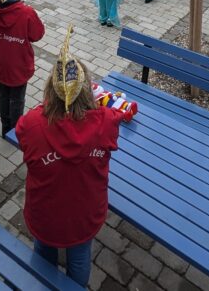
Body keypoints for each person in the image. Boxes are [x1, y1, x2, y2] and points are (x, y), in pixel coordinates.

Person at [16, 32, 126, 287]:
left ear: (50, 91)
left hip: (44, 214)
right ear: (87, 91)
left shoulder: (31, 124)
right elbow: (117, 115)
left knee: (43, 255)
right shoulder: (105, 123)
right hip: (84, 215)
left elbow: (25, 136)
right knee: (79, 258)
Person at [0, 0, 45, 136]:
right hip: (20, 64)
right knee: (17, 99)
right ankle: (15, 131)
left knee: (3, 93)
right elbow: (37, 35)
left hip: (1, 62)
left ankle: (5, 128)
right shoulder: (26, 13)